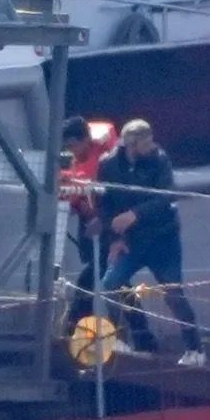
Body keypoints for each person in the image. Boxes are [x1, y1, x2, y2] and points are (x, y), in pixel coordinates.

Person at [98, 119, 205, 366]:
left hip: (163, 239)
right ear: (130, 144)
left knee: (173, 292)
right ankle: (118, 340)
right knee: (110, 284)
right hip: (132, 243)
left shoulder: (160, 160)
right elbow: (105, 205)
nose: (152, 146)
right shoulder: (108, 165)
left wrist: (135, 215)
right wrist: (114, 239)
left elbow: (166, 196)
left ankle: (195, 349)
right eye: (146, 142)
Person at [60, 116, 121, 328]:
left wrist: (102, 221)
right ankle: (138, 335)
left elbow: (117, 197)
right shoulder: (74, 162)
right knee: (111, 279)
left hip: (112, 228)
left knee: (99, 278)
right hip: (90, 225)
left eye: (73, 145)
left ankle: (75, 325)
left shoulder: (107, 160)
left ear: (86, 139)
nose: (71, 151)